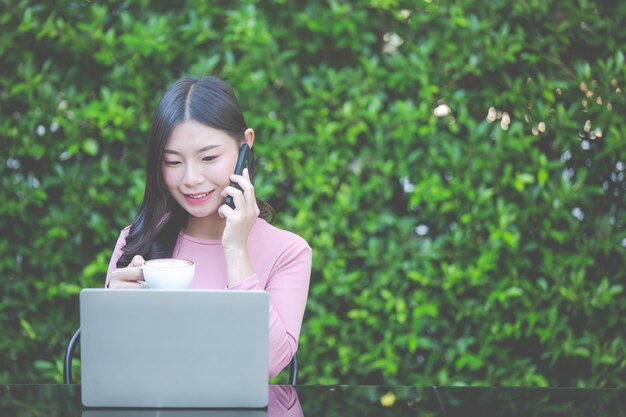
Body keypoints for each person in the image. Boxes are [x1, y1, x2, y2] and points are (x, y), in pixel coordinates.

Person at [104, 75, 312, 379]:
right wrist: (113, 313)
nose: (191, 178)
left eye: (209, 157)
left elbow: (267, 364)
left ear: (245, 145)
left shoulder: (288, 252)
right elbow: (111, 369)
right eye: (173, 162)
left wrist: (237, 249)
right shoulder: (135, 241)